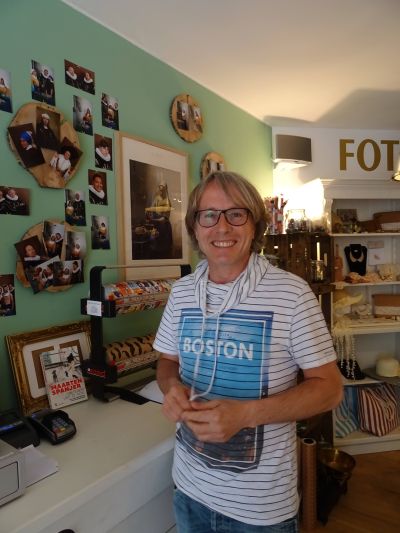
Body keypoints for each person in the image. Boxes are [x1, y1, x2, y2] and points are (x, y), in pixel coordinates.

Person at [154, 171, 343, 532]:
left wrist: (245, 414)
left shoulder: (292, 294)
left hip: (259, 510)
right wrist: (172, 388)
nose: (222, 227)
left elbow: (330, 389)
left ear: (255, 225)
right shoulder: (181, 293)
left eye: (236, 214)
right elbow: (167, 362)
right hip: (189, 490)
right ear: (195, 227)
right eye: (209, 215)